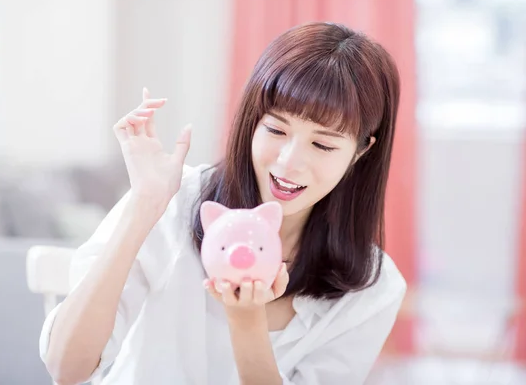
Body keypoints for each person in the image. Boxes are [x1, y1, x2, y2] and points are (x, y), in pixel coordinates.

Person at [39, 22, 407, 385]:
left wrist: (247, 321)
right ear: (252, 121)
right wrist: (144, 206)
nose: (289, 161)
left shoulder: (372, 288)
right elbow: (68, 370)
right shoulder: (174, 200)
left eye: (323, 145)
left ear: (361, 150)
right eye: (276, 130)